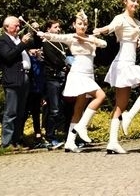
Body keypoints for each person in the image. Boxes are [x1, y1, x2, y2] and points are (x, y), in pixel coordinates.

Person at [93, 0, 140, 155]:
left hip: (128, 62)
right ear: (125, 1)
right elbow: (110, 28)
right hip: (124, 64)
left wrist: (138, 42)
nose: (136, 3)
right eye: (132, 0)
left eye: (137, 1)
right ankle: (129, 116)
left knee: (120, 104)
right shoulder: (120, 18)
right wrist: (100, 30)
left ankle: (112, 142)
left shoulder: (138, 22)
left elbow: (133, 41)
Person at [36, 11, 107, 153]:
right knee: (101, 96)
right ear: (74, 24)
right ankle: (82, 126)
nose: (83, 26)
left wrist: (87, 40)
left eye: (85, 24)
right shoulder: (71, 37)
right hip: (78, 73)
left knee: (78, 109)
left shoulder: (91, 38)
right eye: (80, 24)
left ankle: (70, 141)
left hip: (89, 75)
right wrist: (44, 35)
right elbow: (56, 36)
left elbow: (104, 44)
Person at [0, 15, 34, 148]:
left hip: (25, 77)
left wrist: (30, 52)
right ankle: (6, 142)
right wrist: (23, 44)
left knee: (21, 111)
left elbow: (21, 54)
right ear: (7, 27)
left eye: (19, 25)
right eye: (16, 25)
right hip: (13, 79)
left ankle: (17, 139)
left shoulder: (17, 40)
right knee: (11, 111)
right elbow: (9, 56)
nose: (19, 27)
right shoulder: (2, 41)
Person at [40, 19, 68, 149]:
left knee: (61, 108)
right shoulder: (47, 44)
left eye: (59, 27)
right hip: (52, 78)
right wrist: (66, 63)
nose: (58, 29)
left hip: (61, 77)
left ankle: (57, 133)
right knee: (54, 109)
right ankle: (50, 136)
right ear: (48, 29)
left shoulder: (60, 43)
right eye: (55, 27)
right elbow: (55, 60)